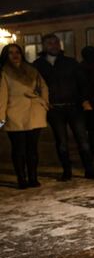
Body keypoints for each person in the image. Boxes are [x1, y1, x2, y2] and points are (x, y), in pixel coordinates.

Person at [33, 33, 94, 181]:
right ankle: (67, 171)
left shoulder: (70, 63)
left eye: (56, 42)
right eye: (50, 43)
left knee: (83, 140)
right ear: (44, 46)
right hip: (54, 109)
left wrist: (84, 100)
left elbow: (83, 83)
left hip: (74, 107)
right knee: (61, 142)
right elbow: (35, 87)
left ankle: (89, 170)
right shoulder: (38, 65)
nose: (54, 46)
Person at [0, 44, 49, 188]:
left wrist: (44, 103)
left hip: (34, 112)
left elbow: (44, 86)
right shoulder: (4, 73)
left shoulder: (32, 70)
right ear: (5, 56)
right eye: (11, 53)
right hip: (15, 113)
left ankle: (33, 177)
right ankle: (21, 178)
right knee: (18, 148)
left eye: (17, 52)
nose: (15, 55)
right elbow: (2, 97)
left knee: (32, 148)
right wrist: (1, 118)